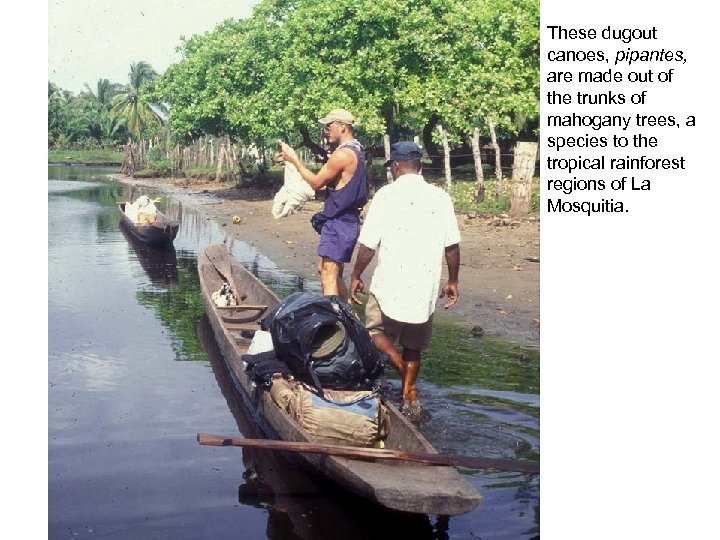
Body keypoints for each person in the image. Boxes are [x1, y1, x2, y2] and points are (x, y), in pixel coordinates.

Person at [349, 141, 461, 417]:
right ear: (418, 166)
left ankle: (397, 367)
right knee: (414, 347)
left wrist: (355, 274)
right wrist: (453, 281)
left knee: (374, 332)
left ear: (396, 166)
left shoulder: (386, 196)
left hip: (389, 283)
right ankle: (409, 394)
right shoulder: (440, 197)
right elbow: (452, 247)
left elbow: (368, 246)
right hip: (424, 286)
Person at [278, 108, 367, 300]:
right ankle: (349, 317)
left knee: (328, 274)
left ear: (342, 127)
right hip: (344, 220)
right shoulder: (357, 149)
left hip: (340, 221)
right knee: (325, 270)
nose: (326, 130)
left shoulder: (343, 154)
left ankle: (336, 322)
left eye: (329, 126)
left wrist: (294, 160)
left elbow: (317, 183)